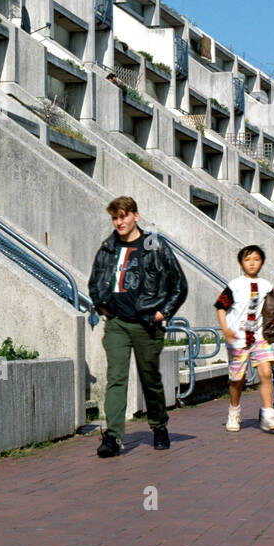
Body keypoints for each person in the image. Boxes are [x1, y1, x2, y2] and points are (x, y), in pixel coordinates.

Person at [87, 196, 188, 457]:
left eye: (123, 216)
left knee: (150, 378)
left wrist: (162, 313)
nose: (119, 222)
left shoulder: (154, 245)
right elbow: (95, 280)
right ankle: (112, 436)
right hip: (117, 324)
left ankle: (159, 426)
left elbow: (179, 285)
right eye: (115, 218)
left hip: (146, 324)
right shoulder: (109, 247)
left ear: (136, 216)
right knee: (116, 378)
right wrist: (102, 305)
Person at [216, 245, 274, 433]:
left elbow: (272, 310)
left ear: (261, 262)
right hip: (238, 338)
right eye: (247, 259)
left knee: (266, 373)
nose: (252, 263)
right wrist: (226, 329)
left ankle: (269, 413)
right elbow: (220, 307)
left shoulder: (267, 285)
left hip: (260, 337)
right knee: (238, 379)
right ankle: (234, 411)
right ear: (241, 263)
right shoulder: (234, 285)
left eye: (256, 259)